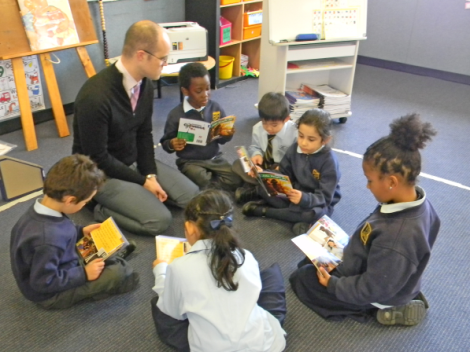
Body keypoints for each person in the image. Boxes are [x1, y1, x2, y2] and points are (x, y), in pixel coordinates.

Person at [289, 113, 440, 326]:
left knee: (301, 280)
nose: (367, 187)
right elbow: (380, 233)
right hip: (385, 271)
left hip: (378, 291)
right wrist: (359, 241)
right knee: (307, 262)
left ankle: (382, 311)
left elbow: (373, 287)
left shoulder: (397, 238)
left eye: (370, 180)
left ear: (391, 182)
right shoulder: (415, 203)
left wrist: (334, 286)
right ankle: (405, 293)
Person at [72, 20, 199, 237]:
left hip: (131, 162)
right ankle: (97, 206)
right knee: (159, 221)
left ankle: (137, 195)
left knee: (192, 196)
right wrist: (143, 182)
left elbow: (144, 132)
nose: (165, 64)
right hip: (99, 173)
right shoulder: (94, 96)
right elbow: (97, 157)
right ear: (141, 55)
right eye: (162, 58)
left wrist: (149, 174)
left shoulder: (145, 84)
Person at [151, 190, 286, 352]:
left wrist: (160, 271)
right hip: (264, 346)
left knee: (159, 302)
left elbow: (173, 312)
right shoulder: (246, 257)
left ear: (190, 227)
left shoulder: (179, 267)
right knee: (272, 276)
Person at [10, 155, 138, 309]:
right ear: (70, 200)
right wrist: (84, 274)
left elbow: (62, 230)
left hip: (60, 262)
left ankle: (106, 262)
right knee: (119, 273)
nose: (85, 205)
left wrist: (80, 231)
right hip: (51, 294)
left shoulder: (43, 210)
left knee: (93, 233)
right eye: (85, 202)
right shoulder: (48, 239)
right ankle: (110, 271)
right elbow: (43, 282)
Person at [242, 109, 341, 235]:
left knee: (312, 214)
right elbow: (284, 173)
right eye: (300, 136)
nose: (303, 143)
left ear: (325, 140)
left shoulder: (329, 162)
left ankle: (263, 211)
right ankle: (292, 216)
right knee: (264, 186)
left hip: (315, 201)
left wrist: (304, 198)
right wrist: (264, 174)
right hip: (293, 191)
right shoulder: (295, 148)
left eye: (311, 139)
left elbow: (326, 197)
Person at [160, 63, 242, 190]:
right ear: (185, 91)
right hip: (190, 162)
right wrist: (172, 143)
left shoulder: (215, 108)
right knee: (201, 178)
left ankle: (207, 185)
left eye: (208, 88)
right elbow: (166, 142)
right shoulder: (176, 114)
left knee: (236, 179)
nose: (205, 94)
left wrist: (227, 134)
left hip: (214, 158)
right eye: (199, 91)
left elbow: (223, 140)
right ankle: (208, 184)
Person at [232, 92, 297, 203]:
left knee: (289, 179)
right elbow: (254, 146)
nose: (268, 128)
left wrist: (282, 167)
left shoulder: (295, 132)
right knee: (238, 164)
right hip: (263, 165)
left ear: (286, 119)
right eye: (264, 123)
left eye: (274, 125)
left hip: (282, 169)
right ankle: (262, 186)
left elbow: (296, 159)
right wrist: (256, 154)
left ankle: (256, 188)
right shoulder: (257, 128)